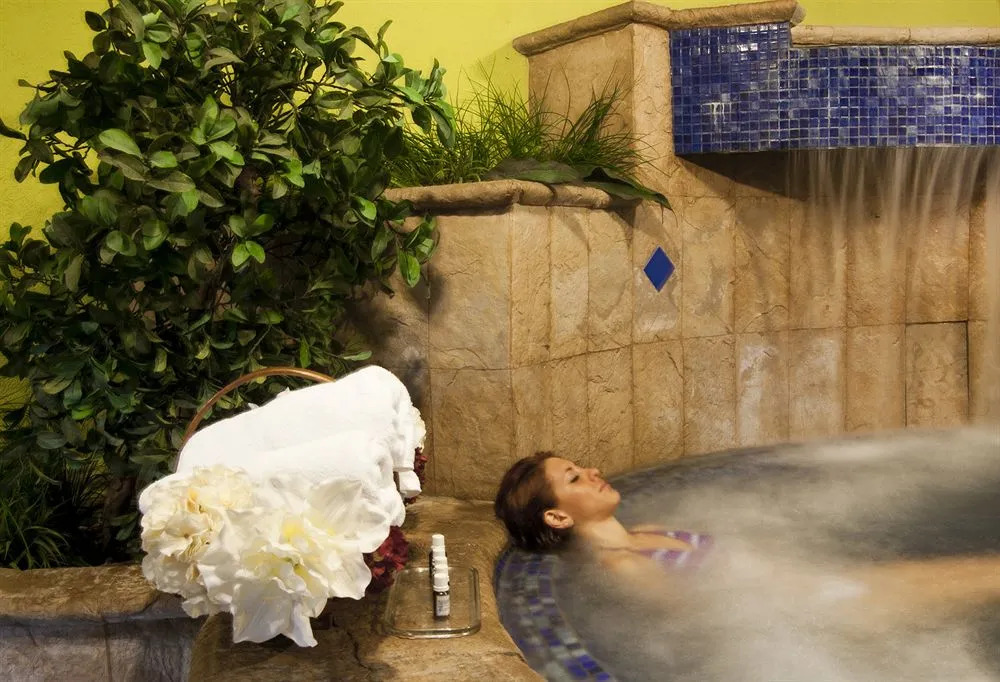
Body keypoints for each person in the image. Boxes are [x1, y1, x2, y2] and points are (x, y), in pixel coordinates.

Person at [495, 451, 1000, 617]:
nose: (593, 472)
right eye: (574, 479)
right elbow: (698, 616)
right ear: (557, 517)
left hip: (835, 587)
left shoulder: (646, 533)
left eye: (582, 466)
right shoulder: (623, 566)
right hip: (834, 608)